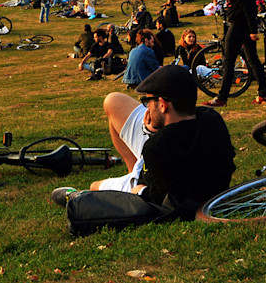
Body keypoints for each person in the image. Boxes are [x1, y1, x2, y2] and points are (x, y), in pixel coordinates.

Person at [52, 66, 236, 221]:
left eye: (148, 101)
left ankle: (84, 194)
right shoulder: (211, 118)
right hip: (209, 187)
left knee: (94, 186)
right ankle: (131, 173)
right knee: (113, 101)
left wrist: (139, 192)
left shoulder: (156, 147)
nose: (147, 106)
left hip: (148, 181)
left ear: (162, 105)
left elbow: (162, 198)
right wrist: (156, 129)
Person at [205, 0, 266, 106]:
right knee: (252, 59)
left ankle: (222, 98)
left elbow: (248, 7)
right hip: (243, 24)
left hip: (239, 25)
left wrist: (253, 30)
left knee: (228, 60)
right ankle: (263, 94)